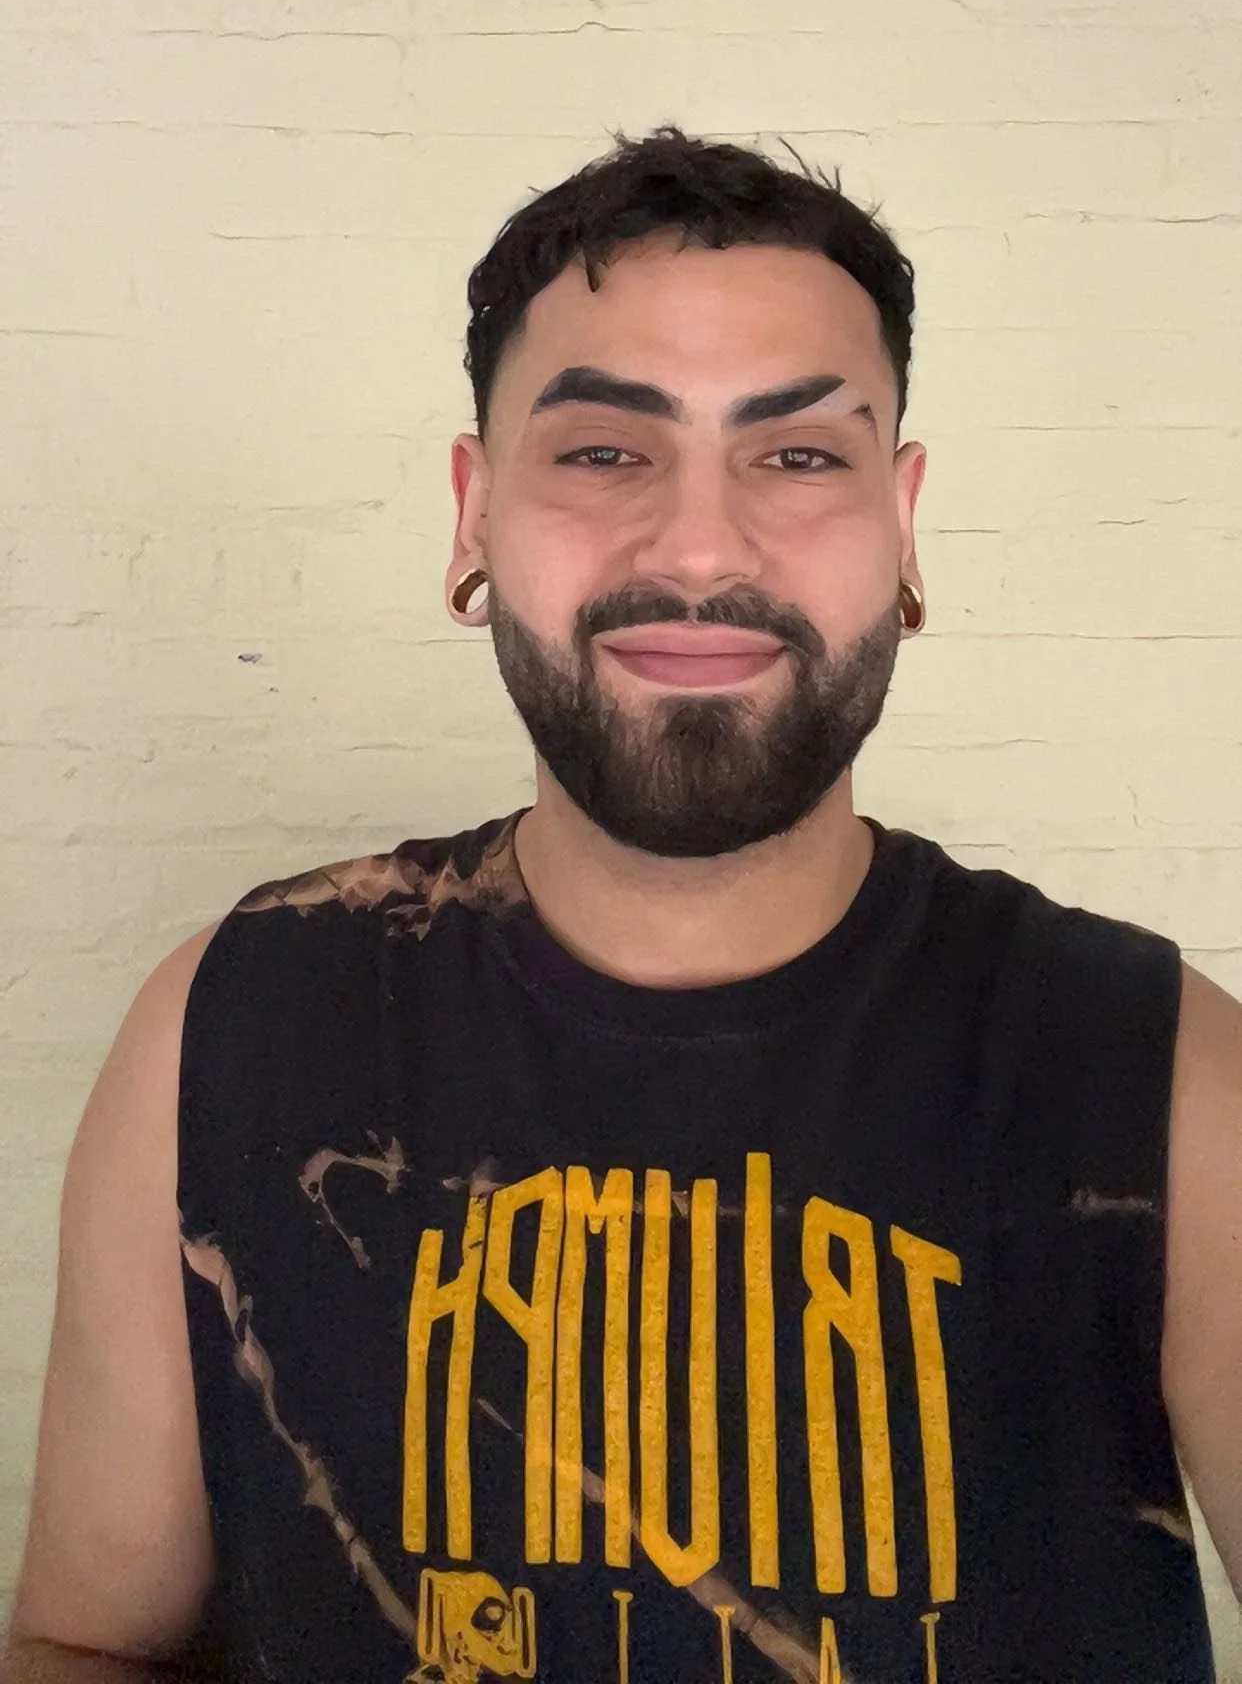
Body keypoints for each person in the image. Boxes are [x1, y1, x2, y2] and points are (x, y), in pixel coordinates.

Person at [5, 127, 1240, 1684]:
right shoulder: (229, 1024)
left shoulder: (1156, 1076)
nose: (701, 545)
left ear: (902, 518)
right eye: (601, 453)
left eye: (799, 456)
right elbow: (83, 1641)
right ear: (473, 512)